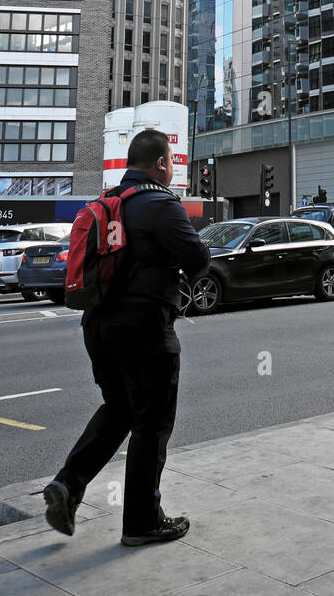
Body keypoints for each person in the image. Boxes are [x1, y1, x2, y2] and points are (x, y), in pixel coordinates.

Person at [44, 130, 210, 546]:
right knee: (151, 424)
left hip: (98, 327)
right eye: (170, 160)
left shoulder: (109, 202)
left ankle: (69, 484)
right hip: (144, 329)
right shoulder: (159, 202)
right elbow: (198, 258)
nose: (172, 168)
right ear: (159, 163)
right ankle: (142, 522)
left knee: (119, 408)